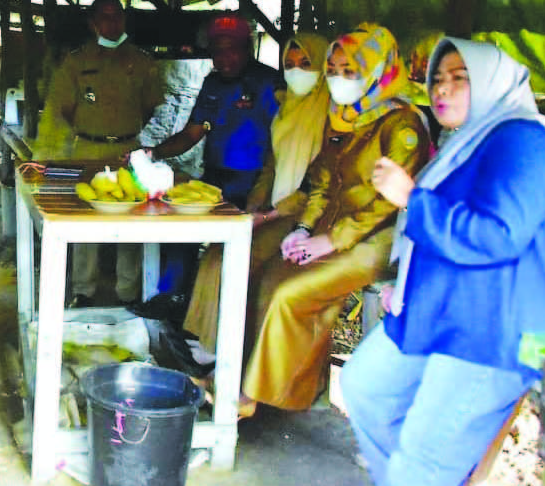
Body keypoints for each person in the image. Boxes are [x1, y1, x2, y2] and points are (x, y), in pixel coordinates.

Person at [343, 38, 545, 486]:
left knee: (420, 465)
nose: (442, 89)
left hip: (495, 332)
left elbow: (496, 236)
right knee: (364, 387)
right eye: (437, 79)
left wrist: (412, 198)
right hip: (450, 311)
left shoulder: (525, 139)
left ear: (492, 82)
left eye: (459, 78)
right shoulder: (471, 140)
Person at [239, 24, 430, 418]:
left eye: (351, 70)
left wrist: (330, 241)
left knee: (289, 294)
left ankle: (249, 397)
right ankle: (275, 384)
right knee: (269, 275)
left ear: (378, 70)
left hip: (378, 240)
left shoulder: (402, 125)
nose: (339, 80)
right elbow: (321, 183)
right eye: (334, 70)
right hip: (332, 229)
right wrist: (304, 228)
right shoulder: (343, 116)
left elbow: (387, 206)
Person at [183, 32, 330, 351]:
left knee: (234, 261)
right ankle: (204, 341)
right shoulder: (288, 109)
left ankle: (223, 351)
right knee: (214, 255)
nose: (296, 71)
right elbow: (271, 166)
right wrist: (252, 208)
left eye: (306, 63)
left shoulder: (330, 115)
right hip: (273, 207)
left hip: (304, 218)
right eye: (290, 64)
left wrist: (268, 216)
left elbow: (318, 184)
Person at [33, 0, 163, 307]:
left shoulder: (142, 62)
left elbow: (148, 106)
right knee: (85, 218)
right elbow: (61, 107)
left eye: (117, 16)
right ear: (93, 23)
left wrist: (123, 131)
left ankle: (129, 293)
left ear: (124, 20)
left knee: (131, 217)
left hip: (128, 150)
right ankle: (84, 290)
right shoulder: (76, 62)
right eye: (104, 17)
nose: (112, 23)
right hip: (88, 147)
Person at [149, 11, 281, 208]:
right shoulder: (212, 83)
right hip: (214, 181)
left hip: (255, 184)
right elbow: (192, 134)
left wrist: (264, 190)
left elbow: (280, 143)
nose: (224, 58)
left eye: (232, 49)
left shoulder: (269, 82)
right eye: (217, 51)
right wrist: (153, 153)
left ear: (247, 48)